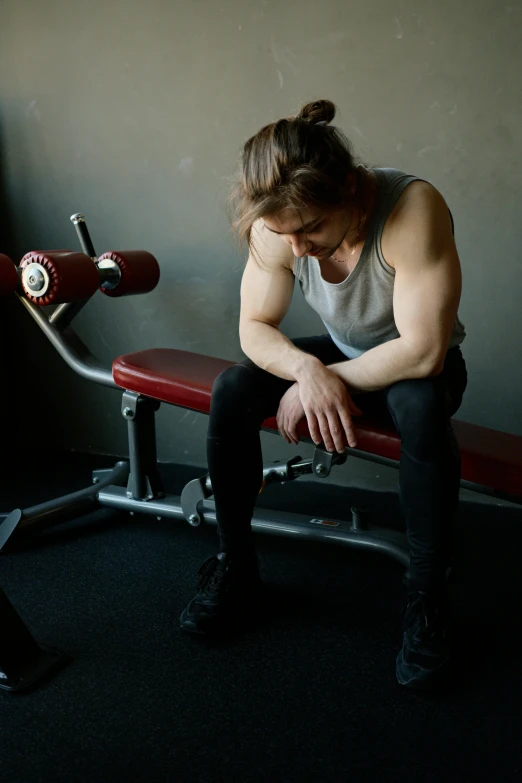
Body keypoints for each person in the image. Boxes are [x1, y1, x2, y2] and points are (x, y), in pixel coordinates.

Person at [180, 99, 468, 690]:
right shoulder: (277, 224)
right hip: (343, 353)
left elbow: (423, 351)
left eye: (312, 229)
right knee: (234, 387)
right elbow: (254, 328)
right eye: (288, 235)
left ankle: (428, 598)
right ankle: (237, 566)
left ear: (350, 189)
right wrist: (306, 371)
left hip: (418, 364)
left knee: (419, 403)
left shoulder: (413, 207)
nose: (301, 248)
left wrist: (322, 379)